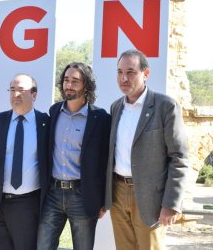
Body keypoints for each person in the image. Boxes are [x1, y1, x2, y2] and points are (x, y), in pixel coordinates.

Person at [105, 49, 190, 250]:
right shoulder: (116, 107)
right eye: (119, 72)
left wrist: (171, 203)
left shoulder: (165, 106)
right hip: (117, 194)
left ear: (146, 73)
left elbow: (179, 157)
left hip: (150, 198)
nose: (124, 78)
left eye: (131, 72)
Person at [37, 62, 111, 250]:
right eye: (66, 80)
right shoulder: (54, 112)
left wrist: (102, 200)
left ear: (86, 86)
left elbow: (105, 161)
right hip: (52, 194)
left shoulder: (100, 118)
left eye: (75, 81)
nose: (69, 85)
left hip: (83, 196)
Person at [0, 74, 49, 250]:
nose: (15, 94)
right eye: (12, 90)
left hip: (28, 204)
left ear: (34, 95)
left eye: (21, 90)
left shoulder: (45, 123)